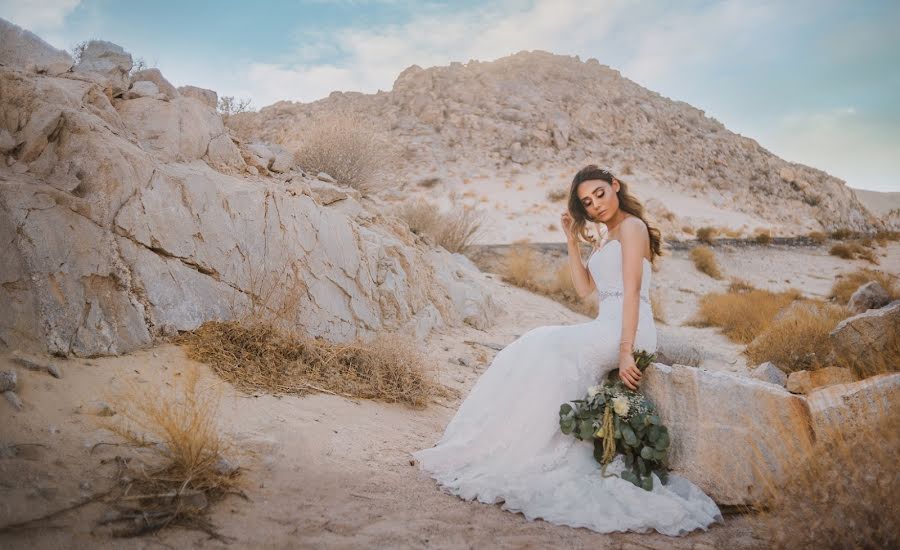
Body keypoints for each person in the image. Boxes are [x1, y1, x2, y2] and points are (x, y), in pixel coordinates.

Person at [411, 165, 723, 536]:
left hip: (632, 330)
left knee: (544, 343)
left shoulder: (633, 228)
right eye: (587, 203)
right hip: (607, 325)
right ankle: (516, 447)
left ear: (615, 186)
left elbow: (633, 293)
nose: (595, 206)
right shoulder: (607, 236)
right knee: (535, 344)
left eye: (599, 195)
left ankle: (526, 450)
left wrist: (626, 352)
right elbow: (583, 289)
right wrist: (572, 241)